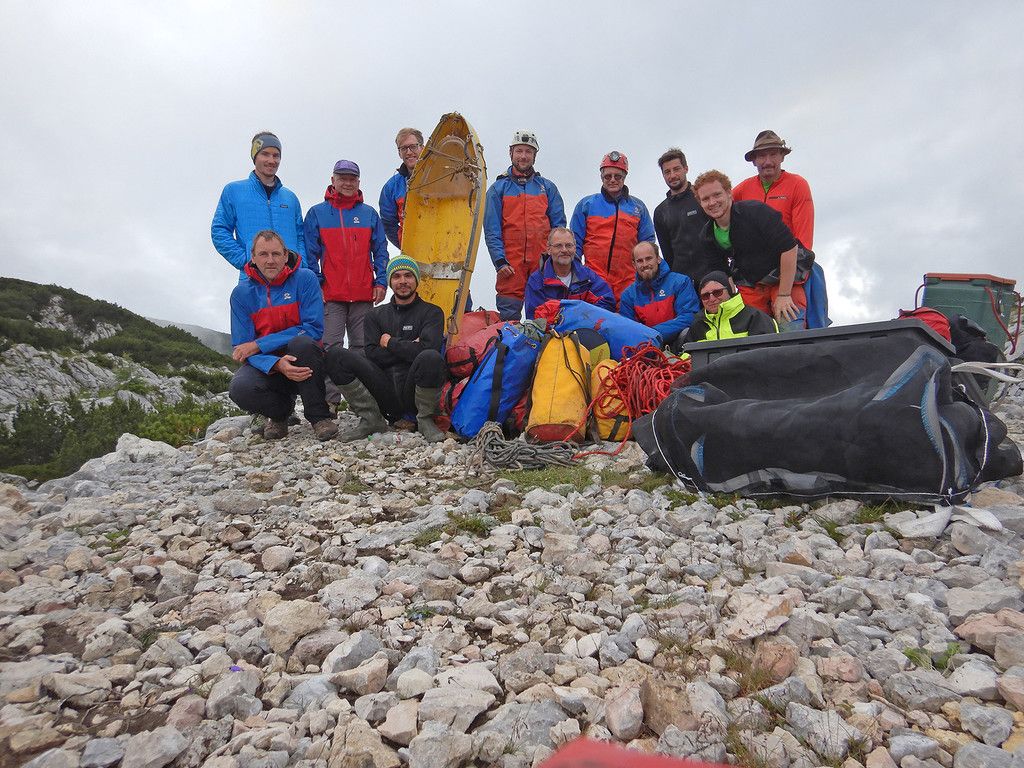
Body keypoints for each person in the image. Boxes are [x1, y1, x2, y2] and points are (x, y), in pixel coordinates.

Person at [228, 230, 337, 441]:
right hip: (269, 366)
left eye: (276, 254)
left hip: (306, 361)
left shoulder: (305, 279)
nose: (270, 260)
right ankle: (280, 415)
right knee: (239, 388)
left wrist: (259, 344)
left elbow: (313, 328)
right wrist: (276, 364)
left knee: (302, 344)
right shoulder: (241, 294)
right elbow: (243, 348)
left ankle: (319, 417)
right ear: (253, 257)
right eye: (263, 254)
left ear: (286, 255)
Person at [326, 255, 447, 443]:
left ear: (417, 279)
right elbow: (372, 355)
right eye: (397, 276)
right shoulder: (375, 315)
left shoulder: (432, 312)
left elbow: (429, 350)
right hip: (383, 390)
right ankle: (371, 419)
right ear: (390, 281)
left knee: (430, 357)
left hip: (414, 391)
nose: (403, 281)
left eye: (408, 275)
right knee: (336, 355)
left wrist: (390, 343)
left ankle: (425, 419)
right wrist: (412, 347)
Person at [693, 170, 806, 331]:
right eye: (705, 199)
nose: (712, 202)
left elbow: (789, 248)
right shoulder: (707, 235)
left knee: (789, 322)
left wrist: (784, 295)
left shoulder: (756, 212)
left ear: (729, 193)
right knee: (746, 326)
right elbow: (723, 275)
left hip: (783, 278)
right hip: (751, 285)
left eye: (717, 195)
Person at [484, 130, 566, 320]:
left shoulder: (548, 188)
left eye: (528, 151)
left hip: (542, 264)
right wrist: (499, 261)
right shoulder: (498, 189)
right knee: (509, 320)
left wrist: (553, 258)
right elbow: (491, 230)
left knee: (545, 317)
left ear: (535, 155)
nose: (523, 156)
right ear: (510, 152)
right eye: (519, 151)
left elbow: (559, 228)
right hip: (510, 266)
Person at [212, 131, 306, 273]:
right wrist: (246, 261)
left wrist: (301, 264)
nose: (271, 160)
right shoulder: (234, 191)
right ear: (255, 156)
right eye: (265, 154)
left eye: (276, 155)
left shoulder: (290, 198)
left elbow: (301, 236)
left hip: (292, 279)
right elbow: (219, 231)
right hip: (253, 279)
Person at [570, 152, 656, 301]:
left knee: (627, 316)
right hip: (593, 281)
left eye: (618, 176)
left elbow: (647, 244)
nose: (612, 180)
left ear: (625, 177)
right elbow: (574, 243)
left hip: (629, 283)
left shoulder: (638, 207)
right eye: (607, 176)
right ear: (601, 177)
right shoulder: (586, 205)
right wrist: (577, 273)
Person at [732, 130, 814, 249]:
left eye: (773, 154)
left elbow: (804, 240)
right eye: (762, 156)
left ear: (782, 157)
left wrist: (798, 259)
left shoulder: (798, 185)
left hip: (787, 257)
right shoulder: (743, 189)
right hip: (752, 259)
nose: (768, 162)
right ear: (754, 161)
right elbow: (718, 205)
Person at [652, 148, 716, 286]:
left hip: (713, 276)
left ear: (686, 169)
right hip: (682, 282)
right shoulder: (660, 212)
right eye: (667, 172)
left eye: (676, 169)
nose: (672, 175)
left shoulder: (703, 198)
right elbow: (667, 253)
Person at [618, 242, 700, 348]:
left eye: (648, 259)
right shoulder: (628, 295)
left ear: (658, 259)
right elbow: (629, 330)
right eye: (640, 261)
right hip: (647, 348)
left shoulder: (680, 282)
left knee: (687, 332)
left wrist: (653, 333)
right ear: (634, 265)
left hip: (678, 344)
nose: (645, 264)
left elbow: (688, 317)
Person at [524, 228, 615, 319]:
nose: (564, 250)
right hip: (550, 328)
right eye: (558, 246)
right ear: (549, 249)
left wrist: (584, 317)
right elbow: (534, 319)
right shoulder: (536, 282)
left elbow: (607, 303)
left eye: (568, 245)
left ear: (575, 248)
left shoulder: (588, 277)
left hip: (585, 326)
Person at [674, 271, 777, 347]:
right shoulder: (697, 324)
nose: (712, 299)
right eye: (705, 296)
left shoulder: (755, 317)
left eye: (717, 292)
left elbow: (768, 354)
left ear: (729, 291)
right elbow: (687, 357)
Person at [379, 128, 424, 249]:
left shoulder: (441, 176)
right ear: (399, 153)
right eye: (403, 148)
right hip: (413, 253)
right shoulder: (391, 187)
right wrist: (406, 245)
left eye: (413, 147)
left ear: (422, 148)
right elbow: (388, 224)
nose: (409, 152)